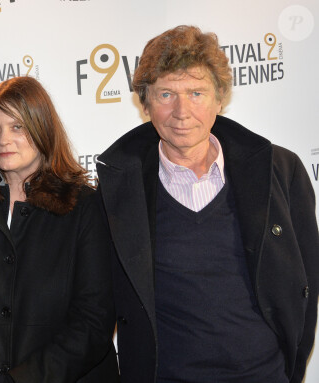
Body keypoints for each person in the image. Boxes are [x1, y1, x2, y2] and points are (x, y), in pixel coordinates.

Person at [97, 25, 319, 383]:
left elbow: (304, 284)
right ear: (145, 103)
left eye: (196, 92)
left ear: (220, 99)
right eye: (166, 93)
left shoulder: (280, 171)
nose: (182, 111)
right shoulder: (119, 190)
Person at [0, 76, 118, 383]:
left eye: (17, 126)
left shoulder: (83, 206)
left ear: (42, 128)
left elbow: (93, 319)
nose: (4, 139)